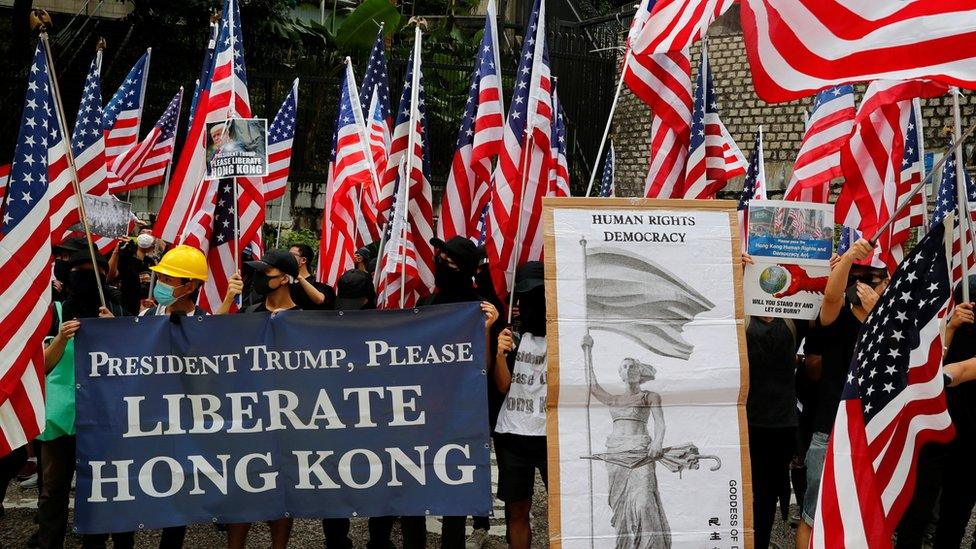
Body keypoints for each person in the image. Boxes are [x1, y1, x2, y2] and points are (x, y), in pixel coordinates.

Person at [400, 236, 499, 549]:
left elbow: (484, 367)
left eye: (451, 263)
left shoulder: (482, 309)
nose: (443, 265)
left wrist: (485, 331)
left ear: (466, 270)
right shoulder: (425, 306)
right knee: (414, 484)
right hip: (420, 412)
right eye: (441, 259)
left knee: (454, 487)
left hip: (461, 414)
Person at [796, 238, 887, 549]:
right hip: (829, 432)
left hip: (870, 435)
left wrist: (879, 314)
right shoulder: (837, 319)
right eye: (860, 279)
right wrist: (849, 256)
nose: (866, 286)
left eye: (875, 280)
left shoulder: (888, 326)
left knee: (858, 518)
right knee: (812, 515)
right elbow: (832, 295)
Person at [39, 250, 130, 549]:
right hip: (61, 418)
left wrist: (115, 330)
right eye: (80, 271)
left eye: (95, 272)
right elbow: (43, 365)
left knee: (101, 486)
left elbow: (135, 363)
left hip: (104, 418)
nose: (88, 277)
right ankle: (49, 540)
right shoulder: (54, 313)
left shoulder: (115, 309)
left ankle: (94, 541)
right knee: (54, 489)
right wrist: (62, 338)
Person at [221, 249, 299, 548]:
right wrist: (229, 298)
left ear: (285, 279)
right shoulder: (249, 313)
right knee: (243, 486)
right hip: (248, 415)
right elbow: (212, 340)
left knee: (282, 490)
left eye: (265, 274)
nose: (257, 278)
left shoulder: (304, 320)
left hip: (287, 419)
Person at [322, 269, 394, 549]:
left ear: (368, 300)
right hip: (337, 416)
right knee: (333, 480)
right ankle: (337, 540)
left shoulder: (387, 329)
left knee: (384, 477)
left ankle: (380, 539)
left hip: (378, 418)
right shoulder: (329, 327)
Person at [493, 262, 548, 549]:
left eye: (537, 295)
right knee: (517, 511)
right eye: (524, 297)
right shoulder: (512, 336)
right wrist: (500, 354)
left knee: (568, 509)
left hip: (553, 437)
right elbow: (503, 386)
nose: (529, 303)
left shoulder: (566, 335)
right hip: (512, 436)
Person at [930, 276, 976, 548]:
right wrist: (951, 326)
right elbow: (932, 364)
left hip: (971, 444)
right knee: (927, 510)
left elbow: (964, 370)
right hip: (941, 433)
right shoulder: (952, 331)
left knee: (956, 513)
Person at [109, 232, 158, 315]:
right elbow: (111, 275)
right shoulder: (127, 259)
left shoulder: (151, 262)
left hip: (148, 304)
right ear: (151, 247)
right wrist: (116, 252)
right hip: (129, 304)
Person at [288, 244, 334, 310]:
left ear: (303, 260)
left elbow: (320, 300)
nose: (287, 258)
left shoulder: (318, 282)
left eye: (292, 255)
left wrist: (299, 276)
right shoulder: (287, 282)